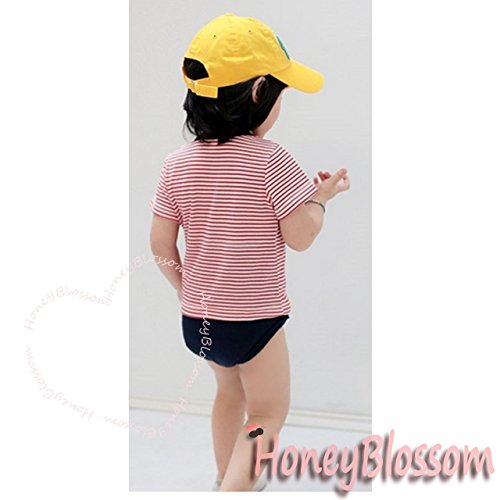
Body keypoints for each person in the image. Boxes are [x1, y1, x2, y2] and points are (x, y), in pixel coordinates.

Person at [149, 12, 350, 492]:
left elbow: (160, 245)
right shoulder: (271, 159)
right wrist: (321, 200)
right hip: (255, 318)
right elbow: (300, 236)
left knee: (228, 394)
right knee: (267, 411)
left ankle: (226, 476)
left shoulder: (176, 164)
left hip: (199, 319)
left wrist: (184, 289)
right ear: (260, 91)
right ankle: (235, 489)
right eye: (280, 92)